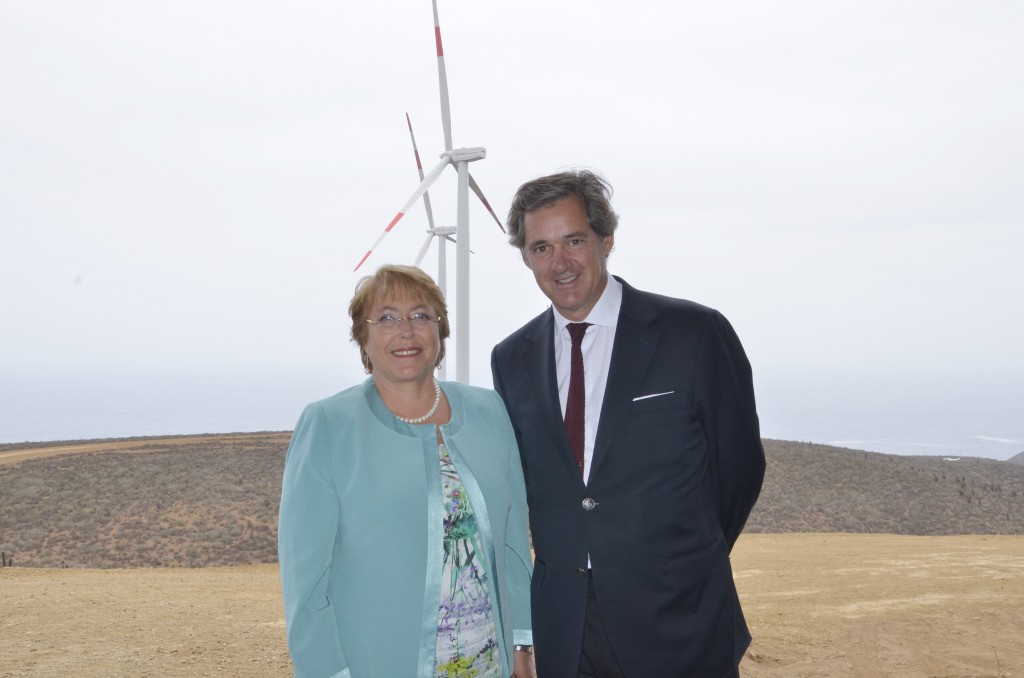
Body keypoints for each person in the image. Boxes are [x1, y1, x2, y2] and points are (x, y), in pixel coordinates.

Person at [490, 170, 765, 677]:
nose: (560, 262)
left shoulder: (695, 334)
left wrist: (676, 566)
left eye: (574, 241)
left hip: (681, 623)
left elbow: (739, 471)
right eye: (541, 248)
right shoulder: (510, 359)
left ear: (606, 239)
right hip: (566, 634)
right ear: (526, 257)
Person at [279, 264, 534, 678]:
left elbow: (514, 547)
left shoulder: (489, 410)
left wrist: (522, 641)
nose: (405, 331)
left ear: (440, 330)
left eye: (420, 315)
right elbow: (304, 578)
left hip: (489, 662)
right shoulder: (329, 424)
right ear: (363, 336)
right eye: (386, 318)